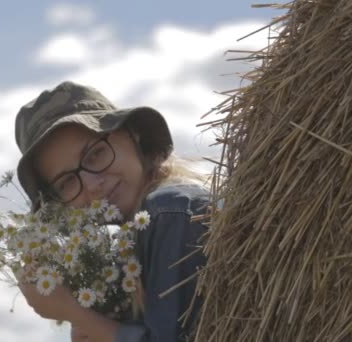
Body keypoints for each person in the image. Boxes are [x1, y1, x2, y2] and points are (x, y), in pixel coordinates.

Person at [13, 81, 210, 341]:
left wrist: (77, 315)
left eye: (95, 154)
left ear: (132, 134)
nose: (93, 185)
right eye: (67, 182)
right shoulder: (134, 245)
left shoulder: (169, 212)